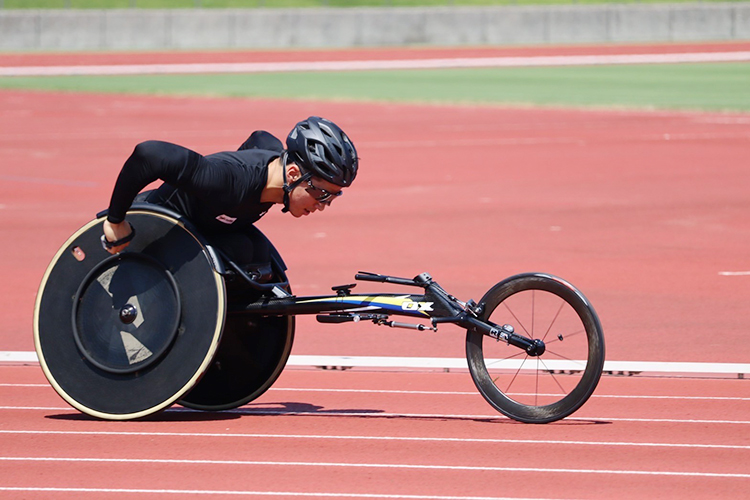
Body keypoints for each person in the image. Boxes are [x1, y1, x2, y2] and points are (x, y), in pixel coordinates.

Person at [101, 116, 358, 276]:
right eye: (322, 194)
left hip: (200, 231)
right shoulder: (225, 182)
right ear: (292, 173)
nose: (322, 206)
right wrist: (116, 221)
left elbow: (261, 138)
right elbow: (150, 154)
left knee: (253, 252)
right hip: (151, 233)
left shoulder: (276, 170)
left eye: (333, 198)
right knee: (241, 252)